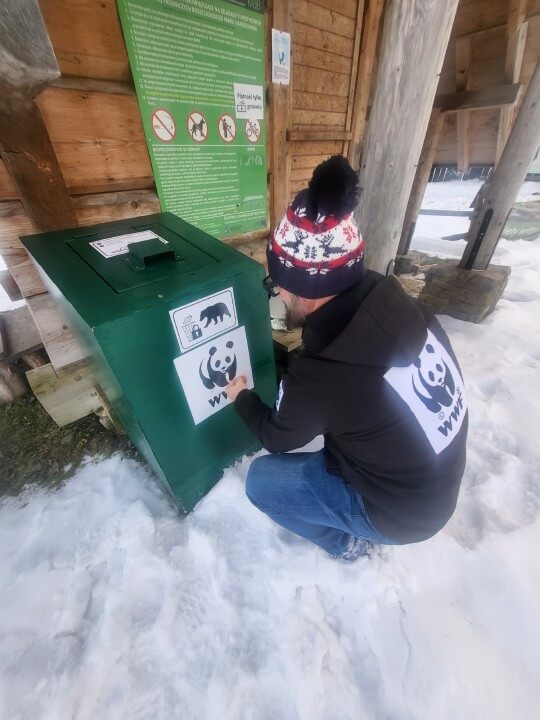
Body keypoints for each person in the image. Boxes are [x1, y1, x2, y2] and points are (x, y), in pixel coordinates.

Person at [226, 156, 468, 561]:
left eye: (279, 285)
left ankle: (348, 544)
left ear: (308, 289)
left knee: (263, 483)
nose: (279, 295)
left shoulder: (325, 377)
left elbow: (276, 436)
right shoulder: (405, 308)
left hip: (397, 512)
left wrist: (241, 398)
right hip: (431, 484)